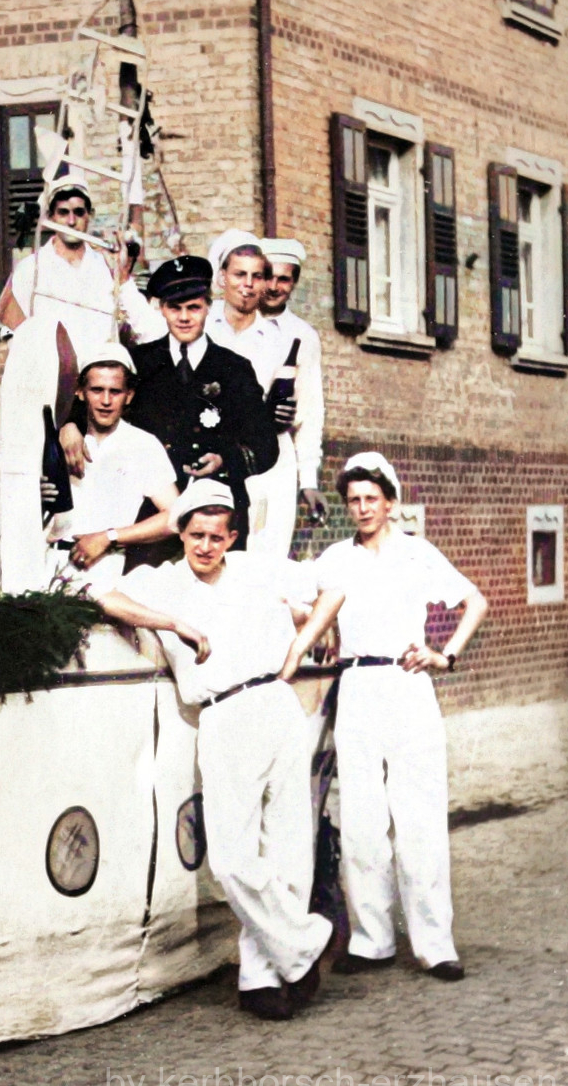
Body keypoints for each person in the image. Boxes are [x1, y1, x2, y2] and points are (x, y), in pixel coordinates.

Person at [95, 480, 344, 1021]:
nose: (205, 546)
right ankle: (305, 942)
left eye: (216, 536)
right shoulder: (162, 582)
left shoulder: (260, 568)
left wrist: (300, 645)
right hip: (223, 714)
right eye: (196, 535)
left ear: (231, 537)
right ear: (181, 534)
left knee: (287, 850)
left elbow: (334, 586)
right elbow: (100, 595)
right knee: (232, 859)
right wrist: (174, 623)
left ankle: (262, 978)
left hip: (277, 703)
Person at [312, 453, 487, 982]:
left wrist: (445, 655)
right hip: (356, 686)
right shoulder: (336, 558)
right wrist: (324, 633)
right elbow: (306, 605)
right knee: (361, 820)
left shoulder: (417, 553)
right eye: (354, 500)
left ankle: (434, 944)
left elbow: (475, 602)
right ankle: (372, 941)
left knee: (420, 818)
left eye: (372, 498)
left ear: (391, 503)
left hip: (407, 684)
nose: (363, 508)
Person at [66, 255, 277, 559]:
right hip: (151, 516)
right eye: (174, 308)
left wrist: (224, 459)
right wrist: (70, 427)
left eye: (194, 307)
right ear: (161, 308)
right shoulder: (141, 362)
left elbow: (266, 446)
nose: (184, 317)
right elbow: (95, 397)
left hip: (215, 510)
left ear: (208, 307)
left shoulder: (234, 368)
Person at [204, 231, 313, 558]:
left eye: (258, 277)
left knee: (262, 550)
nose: (250, 285)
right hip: (210, 453)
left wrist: (308, 476)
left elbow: (306, 412)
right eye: (240, 275)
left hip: (266, 458)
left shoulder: (284, 341)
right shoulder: (203, 326)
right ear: (223, 277)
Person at [45, 343, 178, 593]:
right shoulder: (60, 440)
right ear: (80, 392)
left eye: (115, 391)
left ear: (129, 395)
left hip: (105, 566)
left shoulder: (143, 444)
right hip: (49, 562)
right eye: (97, 390)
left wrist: (109, 537)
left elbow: (175, 517)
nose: (105, 401)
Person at [0, 176, 164, 355]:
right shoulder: (29, 269)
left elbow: (153, 333)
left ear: (90, 215)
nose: (71, 221)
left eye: (79, 212)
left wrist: (123, 278)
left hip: (101, 370)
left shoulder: (108, 267)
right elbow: (15, 339)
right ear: (51, 217)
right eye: (63, 212)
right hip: (50, 371)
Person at [256, 236, 328, 546]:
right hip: (231, 449)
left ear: (294, 283)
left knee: (272, 544)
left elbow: (310, 412)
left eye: (283, 279)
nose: (273, 287)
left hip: (278, 454)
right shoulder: (227, 323)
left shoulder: (303, 335)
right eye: (267, 276)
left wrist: (308, 481)